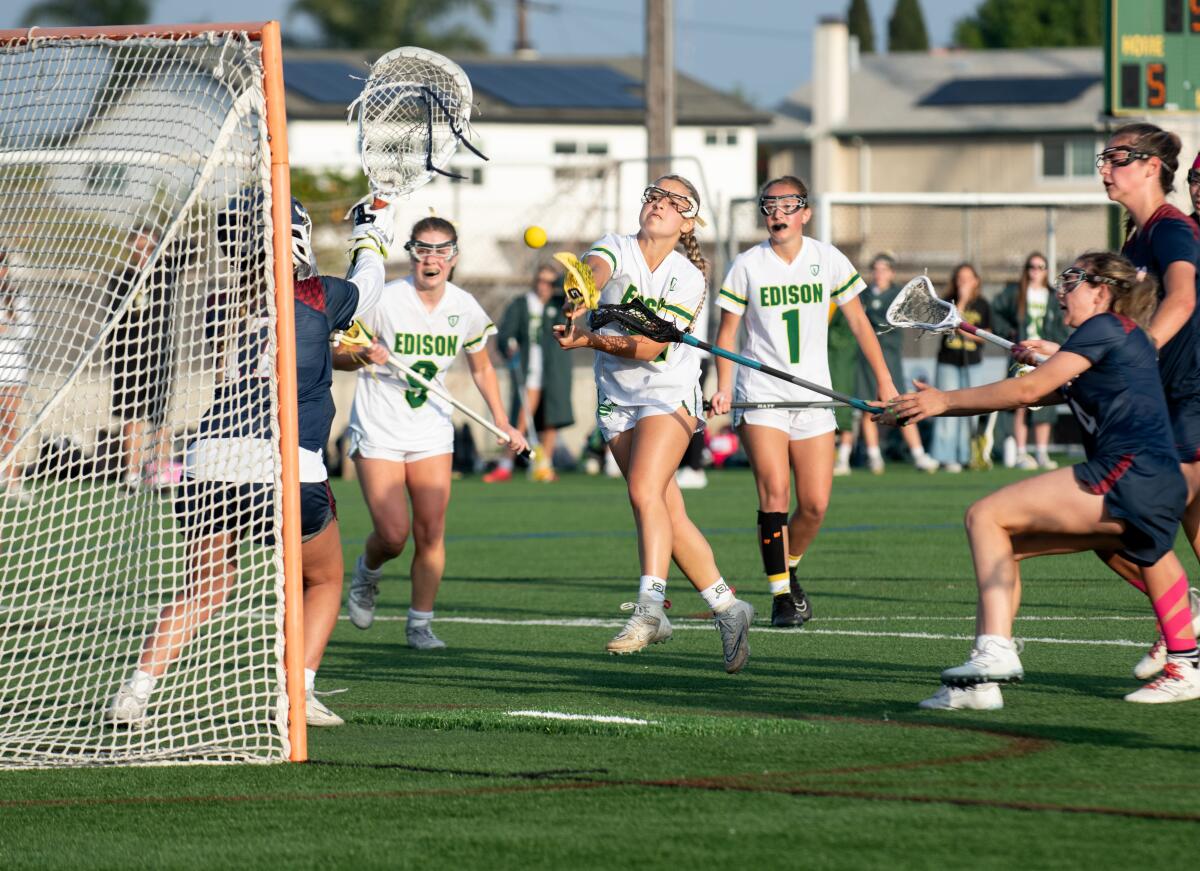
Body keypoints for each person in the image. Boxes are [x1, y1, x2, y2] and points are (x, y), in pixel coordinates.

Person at [106, 195, 393, 727]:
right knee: (324, 580)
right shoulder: (319, 293)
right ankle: (299, 694)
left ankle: (135, 691)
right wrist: (371, 230)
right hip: (282, 461)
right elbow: (369, 286)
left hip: (208, 458)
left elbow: (281, 346)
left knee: (206, 584)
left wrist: (337, 346)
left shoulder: (226, 300)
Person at [891, 252, 1200, 709]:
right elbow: (1039, 390)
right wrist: (936, 403)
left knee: (986, 516)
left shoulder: (1103, 326)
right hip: (1158, 484)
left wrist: (941, 401)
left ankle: (995, 652)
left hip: (1127, 475)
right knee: (1005, 545)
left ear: (1101, 291)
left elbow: (1028, 390)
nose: (1060, 290)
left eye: (1071, 280)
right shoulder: (1122, 337)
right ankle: (980, 684)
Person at [554, 174, 756, 672]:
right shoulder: (615, 246)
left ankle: (651, 609)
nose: (660, 204)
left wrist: (590, 340)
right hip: (617, 399)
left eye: (674, 200)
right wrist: (582, 296)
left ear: (689, 220)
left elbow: (653, 348)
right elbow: (596, 269)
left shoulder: (687, 277)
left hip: (668, 392)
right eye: (654, 195)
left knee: (644, 490)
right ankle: (730, 609)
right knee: (668, 511)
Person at [709, 176, 899, 629]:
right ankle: (779, 595)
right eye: (769, 205)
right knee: (775, 491)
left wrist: (886, 382)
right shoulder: (747, 265)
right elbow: (728, 333)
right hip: (762, 395)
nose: (777, 213)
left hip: (815, 396)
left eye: (788, 205)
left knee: (814, 505)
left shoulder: (827, 258)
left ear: (806, 213)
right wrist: (722, 384)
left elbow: (859, 323)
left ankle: (788, 567)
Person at [339, 217, 527, 651]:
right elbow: (339, 356)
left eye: (442, 250)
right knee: (392, 534)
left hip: (431, 430)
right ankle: (368, 571)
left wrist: (501, 418)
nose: (432, 258)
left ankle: (419, 623)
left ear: (455, 257)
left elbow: (481, 365)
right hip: (379, 424)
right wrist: (364, 354)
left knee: (430, 531)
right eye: (423, 249)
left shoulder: (464, 306)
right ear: (411, 254)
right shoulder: (382, 299)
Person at [1097, 122, 1200, 680]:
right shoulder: (1134, 243)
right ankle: (1186, 620)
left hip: (1192, 399)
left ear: (1151, 166)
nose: (1106, 169)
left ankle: (1185, 637)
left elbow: (1182, 297)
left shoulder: (1172, 230)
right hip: (1164, 401)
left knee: (1127, 517)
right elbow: (1120, 326)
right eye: (1104, 158)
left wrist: (1143, 349)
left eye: (1117, 158)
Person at [107, 224, 179, 492]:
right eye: (138, 247)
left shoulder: (165, 271)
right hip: (129, 357)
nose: (143, 253)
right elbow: (111, 319)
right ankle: (132, 472)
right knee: (131, 417)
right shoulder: (121, 278)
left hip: (159, 353)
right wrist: (114, 356)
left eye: (148, 247)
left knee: (159, 416)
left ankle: (160, 470)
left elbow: (189, 250)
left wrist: (163, 246)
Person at [853, 253, 937, 475]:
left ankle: (918, 454)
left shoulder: (897, 295)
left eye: (884, 269)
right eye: (876, 269)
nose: (879, 274)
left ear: (891, 273)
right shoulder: (864, 294)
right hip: (866, 359)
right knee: (868, 406)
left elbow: (886, 320)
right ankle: (873, 455)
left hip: (890, 358)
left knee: (900, 404)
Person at [490, 261, 574, 483]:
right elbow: (506, 333)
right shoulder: (521, 304)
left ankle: (544, 465)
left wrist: (559, 284)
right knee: (521, 417)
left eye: (549, 282)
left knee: (551, 419)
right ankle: (506, 463)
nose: (543, 286)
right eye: (540, 281)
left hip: (554, 370)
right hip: (528, 370)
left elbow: (571, 318)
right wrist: (508, 346)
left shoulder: (560, 305)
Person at [991, 252, 1065, 470]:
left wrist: (1058, 348)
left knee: (1046, 401)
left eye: (1040, 267)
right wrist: (1009, 333)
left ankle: (1041, 451)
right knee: (1020, 401)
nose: (1036, 271)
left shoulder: (1052, 297)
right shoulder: (1016, 294)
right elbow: (996, 311)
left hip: (1045, 355)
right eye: (1032, 267)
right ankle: (1021, 452)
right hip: (1023, 355)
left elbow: (1061, 325)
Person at [929, 263, 991, 473]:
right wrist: (962, 302)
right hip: (949, 361)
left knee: (968, 409)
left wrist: (966, 331)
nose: (964, 282)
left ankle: (966, 454)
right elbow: (948, 325)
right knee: (946, 407)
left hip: (972, 362)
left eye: (968, 278)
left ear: (976, 281)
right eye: (960, 278)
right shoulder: (948, 304)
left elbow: (985, 336)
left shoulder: (983, 304)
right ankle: (944, 456)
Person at [0, 250, 31, 503]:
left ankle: (13, 480)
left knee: (10, 426)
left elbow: (27, 331)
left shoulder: (15, 297)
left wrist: (6, 327)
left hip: (11, 371)